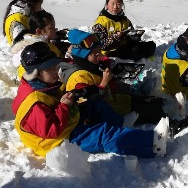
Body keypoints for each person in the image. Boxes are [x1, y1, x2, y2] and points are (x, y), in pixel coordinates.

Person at [12, 41, 170, 158]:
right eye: (49, 69)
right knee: (102, 134)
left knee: (93, 104)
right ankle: (152, 144)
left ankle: (119, 122)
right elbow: (51, 130)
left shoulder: (40, 86)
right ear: (35, 73)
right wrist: (64, 107)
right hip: (58, 141)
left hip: (63, 121)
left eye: (54, 67)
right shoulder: (34, 102)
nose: (55, 71)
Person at [60, 29, 165, 126]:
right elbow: (86, 104)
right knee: (157, 109)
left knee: (157, 102)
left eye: (99, 50)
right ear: (82, 55)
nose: (99, 55)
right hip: (112, 112)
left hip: (117, 101)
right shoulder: (78, 77)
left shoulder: (90, 65)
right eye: (94, 52)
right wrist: (104, 83)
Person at [92, 0, 156, 61]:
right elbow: (100, 45)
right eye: (112, 4)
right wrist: (115, 37)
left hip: (124, 47)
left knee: (151, 45)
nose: (115, 7)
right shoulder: (100, 22)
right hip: (109, 52)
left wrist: (135, 36)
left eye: (118, 4)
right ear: (107, 5)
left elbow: (131, 37)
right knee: (136, 50)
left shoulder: (125, 20)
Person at [10, 10, 64, 80]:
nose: (55, 30)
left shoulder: (46, 43)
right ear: (39, 31)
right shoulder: (33, 50)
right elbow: (28, 76)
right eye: (51, 27)